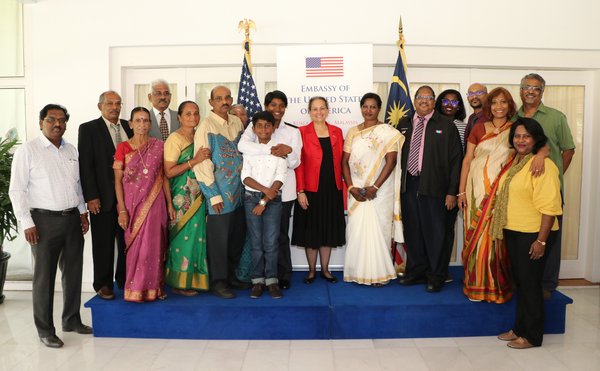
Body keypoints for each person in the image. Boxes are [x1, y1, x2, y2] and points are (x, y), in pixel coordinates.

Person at [9, 104, 92, 348]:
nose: (57, 124)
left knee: (73, 272)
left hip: (71, 220)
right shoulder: (29, 151)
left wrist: (82, 212)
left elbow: (76, 186)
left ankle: (71, 320)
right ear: (40, 122)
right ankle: (45, 329)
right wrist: (27, 222)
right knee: (44, 278)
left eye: (62, 120)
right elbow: (17, 189)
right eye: (51, 119)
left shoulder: (71, 150)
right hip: (43, 222)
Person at [492, 117, 562, 349]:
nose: (521, 140)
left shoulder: (543, 165)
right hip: (514, 230)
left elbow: (550, 206)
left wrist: (541, 241)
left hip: (533, 233)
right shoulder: (518, 162)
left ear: (536, 139)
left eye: (526, 136)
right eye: (517, 136)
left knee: (531, 284)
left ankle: (532, 336)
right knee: (520, 283)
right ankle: (520, 328)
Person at [397, 86, 462, 293]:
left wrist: (452, 191)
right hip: (409, 186)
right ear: (414, 101)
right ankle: (416, 272)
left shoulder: (446, 125)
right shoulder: (404, 124)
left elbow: (456, 161)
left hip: (436, 188)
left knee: (436, 234)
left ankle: (436, 276)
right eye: (420, 97)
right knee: (413, 232)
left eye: (429, 97)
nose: (424, 101)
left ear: (434, 102)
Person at [515, 73, 576, 299]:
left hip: (548, 190)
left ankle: (547, 284)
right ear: (520, 90)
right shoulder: (514, 117)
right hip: (520, 192)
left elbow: (568, 150)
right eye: (526, 87)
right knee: (522, 237)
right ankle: (522, 281)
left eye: (536, 88)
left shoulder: (556, 117)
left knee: (549, 236)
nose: (530, 91)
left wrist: (554, 176)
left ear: (543, 92)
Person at [457, 87, 518, 303]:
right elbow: (467, 160)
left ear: (509, 105)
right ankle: (474, 283)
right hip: (475, 190)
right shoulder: (479, 127)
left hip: (500, 192)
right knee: (474, 234)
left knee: (495, 238)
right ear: (488, 106)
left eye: (503, 102)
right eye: (494, 102)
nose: (499, 106)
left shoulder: (516, 129)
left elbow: (535, 150)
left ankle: (494, 284)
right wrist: (461, 191)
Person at [238, 90, 302, 289]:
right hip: (257, 190)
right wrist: (272, 150)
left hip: (283, 190)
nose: (277, 109)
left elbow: (295, 162)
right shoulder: (255, 126)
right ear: (266, 107)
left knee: (280, 235)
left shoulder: (293, 132)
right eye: (273, 105)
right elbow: (243, 147)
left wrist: (288, 152)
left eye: (281, 105)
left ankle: (281, 275)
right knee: (258, 237)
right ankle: (259, 277)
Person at [342, 93, 404, 286]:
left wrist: (375, 187)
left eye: (373, 107)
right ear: (361, 108)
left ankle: (380, 274)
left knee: (381, 229)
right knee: (357, 230)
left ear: (379, 109)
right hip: (357, 190)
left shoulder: (387, 132)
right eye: (365, 106)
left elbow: (391, 161)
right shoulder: (353, 131)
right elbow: (344, 162)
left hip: (380, 190)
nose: (368, 110)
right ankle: (357, 272)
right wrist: (351, 187)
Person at [113, 107, 175, 302]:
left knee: (155, 246)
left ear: (150, 124)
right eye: (137, 120)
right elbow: (117, 181)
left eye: (145, 120)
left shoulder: (159, 145)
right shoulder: (123, 147)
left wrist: (170, 204)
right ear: (130, 124)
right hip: (132, 206)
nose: (142, 124)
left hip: (156, 204)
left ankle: (154, 288)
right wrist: (122, 209)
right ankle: (134, 289)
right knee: (135, 246)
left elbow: (164, 177)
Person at [193, 86, 248, 299]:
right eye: (219, 98)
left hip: (240, 191)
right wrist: (213, 195)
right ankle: (218, 282)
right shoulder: (205, 126)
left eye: (227, 98)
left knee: (235, 237)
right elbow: (203, 163)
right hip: (220, 194)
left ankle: (231, 276)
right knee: (219, 241)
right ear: (211, 102)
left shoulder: (236, 122)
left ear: (231, 100)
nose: (223, 102)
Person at [78, 91, 132, 300]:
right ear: (100, 106)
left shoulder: (129, 126)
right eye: (109, 103)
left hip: (128, 199)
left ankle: (124, 279)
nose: (114, 107)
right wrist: (91, 196)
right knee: (103, 244)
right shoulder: (89, 129)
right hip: (102, 198)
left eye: (118, 103)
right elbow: (86, 165)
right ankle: (103, 284)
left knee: (128, 242)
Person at [292, 96, 345, 284]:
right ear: (309, 111)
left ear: (328, 110)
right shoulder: (301, 132)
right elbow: (298, 164)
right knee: (311, 232)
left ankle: (326, 270)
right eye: (314, 109)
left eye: (322, 108)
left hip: (332, 190)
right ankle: (311, 271)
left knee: (328, 231)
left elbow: (343, 162)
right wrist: (300, 191)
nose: (319, 112)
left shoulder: (337, 132)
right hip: (310, 190)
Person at [163, 101, 211, 296]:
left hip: (200, 197)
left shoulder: (200, 137)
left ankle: (195, 279)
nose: (193, 117)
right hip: (181, 199)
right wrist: (195, 161)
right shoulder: (174, 139)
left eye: (196, 113)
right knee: (181, 240)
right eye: (188, 114)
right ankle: (178, 282)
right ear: (180, 117)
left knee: (197, 239)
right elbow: (168, 172)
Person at [241, 111, 288, 299]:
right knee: (256, 243)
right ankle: (257, 281)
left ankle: (272, 280)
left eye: (267, 125)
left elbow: (281, 176)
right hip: (252, 198)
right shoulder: (249, 150)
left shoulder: (279, 150)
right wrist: (263, 191)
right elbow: (245, 176)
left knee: (270, 242)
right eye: (259, 126)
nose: (263, 129)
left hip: (272, 202)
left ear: (273, 127)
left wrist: (266, 198)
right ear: (253, 129)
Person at [434, 89, 467, 284]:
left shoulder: (463, 127)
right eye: (445, 101)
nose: (449, 105)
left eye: (454, 103)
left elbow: (463, 160)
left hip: (453, 187)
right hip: (432, 186)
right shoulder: (432, 124)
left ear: (459, 107)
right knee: (431, 228)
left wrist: (455, 190)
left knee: (446, 229)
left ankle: (442, 269)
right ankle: (430, 267)